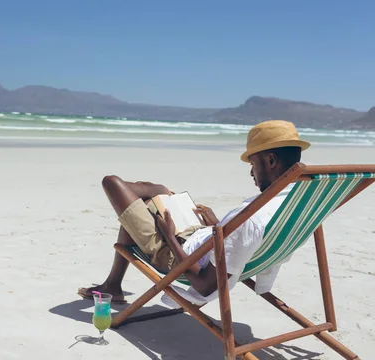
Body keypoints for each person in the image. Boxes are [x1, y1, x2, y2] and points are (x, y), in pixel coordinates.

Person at [78, 120, 311, 304]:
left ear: (271, 160)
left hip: (175, 253)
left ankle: (113, 284)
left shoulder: (252, 219)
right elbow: (241, 242)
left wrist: (169, 236)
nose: (251, 173)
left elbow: (204, 285)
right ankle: (113, 283)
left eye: (253, 163)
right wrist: (219, 227)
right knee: (151, 199)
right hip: (204, 239)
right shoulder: (297, 201)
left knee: (113, 183)